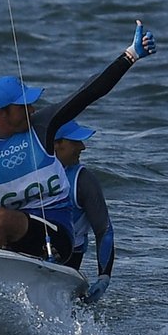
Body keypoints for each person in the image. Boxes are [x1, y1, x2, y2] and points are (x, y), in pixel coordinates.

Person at [0, 20, 156, 265]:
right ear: (1, 113)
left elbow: (88, 92)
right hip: (9, 235)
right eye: (23, 106)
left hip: (56, 236)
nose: (32, 109)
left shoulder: (42, 126)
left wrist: (130, 55)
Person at [53, 120, 115, 304]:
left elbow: (104, 230)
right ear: (56, 144)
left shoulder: (84, 180)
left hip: (68, 260)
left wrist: (104, 277)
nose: (83, 147)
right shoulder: (29, 172)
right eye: (75, 142)